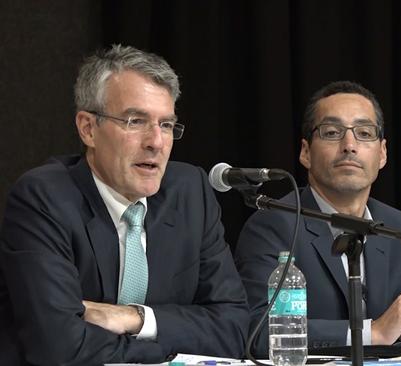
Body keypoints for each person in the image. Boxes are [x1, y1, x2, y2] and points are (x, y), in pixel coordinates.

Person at [0, 45, 249, 365]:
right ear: (88, 128)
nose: (156, 142)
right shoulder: (44, 198)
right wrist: (175, 354)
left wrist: (137, 319)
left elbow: (235, 329)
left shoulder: (190, 192)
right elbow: (60, 347)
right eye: (135, 121)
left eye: (167, 125)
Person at [235, 81, 401, 357]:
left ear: (383, 152)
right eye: (332, 132)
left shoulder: (398, 227)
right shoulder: (273, 224)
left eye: (364, 133)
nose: (349, 145)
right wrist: (372, 332)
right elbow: (257, 330)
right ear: (305, 152)